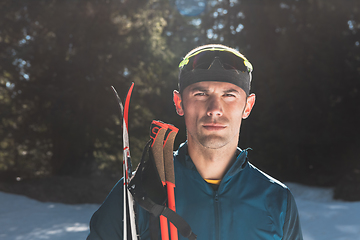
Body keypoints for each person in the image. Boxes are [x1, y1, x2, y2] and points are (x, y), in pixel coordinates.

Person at [87, 44, 303, 240]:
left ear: (247, 106)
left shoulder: (276, 199)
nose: (215, 109)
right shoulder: (141, 190)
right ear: (179, 102)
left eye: (229, 95)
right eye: (200, 94)